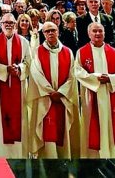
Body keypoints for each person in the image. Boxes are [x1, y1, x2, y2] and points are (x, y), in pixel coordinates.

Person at [74, 23, 115, 158]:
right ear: (88, 33)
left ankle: (114, 156)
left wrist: (109, 78)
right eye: (94, 31)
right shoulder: (82, 52)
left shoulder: (114, 52)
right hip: (91, 96)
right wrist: (97, 78)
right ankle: (92, 158)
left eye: (100, 31)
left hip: (110, 94)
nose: (97, 34)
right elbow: (78, 72)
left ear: (104, 33)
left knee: (111, 126)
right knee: (92, 126)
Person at [28, 21, 78, 159]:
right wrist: (50, 92)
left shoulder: (67, 52)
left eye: (53, 30)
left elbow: (72, 75)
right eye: (47, 31)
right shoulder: (37, 51)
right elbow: (36, 73)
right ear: (43, 34)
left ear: (58, 32)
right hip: (45, 97)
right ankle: (48, 160)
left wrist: (61, 92)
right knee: (46, 129)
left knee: (62, 132)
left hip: (62, 98)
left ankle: (63, 160)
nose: (50, 33)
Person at [0, 13, 31, 158]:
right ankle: (0, 153)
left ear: (15, 25)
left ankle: (20, 153)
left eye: (11, 23)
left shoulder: (24, 42)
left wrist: (19, 68)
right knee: (0, 119)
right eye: (6, 22)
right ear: (1, 24)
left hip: (18, 86)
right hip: (1, 86)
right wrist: (6, 69)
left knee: (19, 117)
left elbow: (28, 62)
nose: (9, 25)